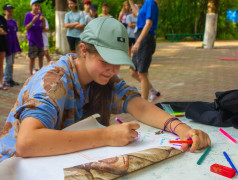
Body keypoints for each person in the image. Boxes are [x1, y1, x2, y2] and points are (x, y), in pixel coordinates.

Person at [0, 18, 210, 163]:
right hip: (16, 167)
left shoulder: (101, 77)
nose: (112, 70)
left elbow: (140, 107)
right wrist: (106, 135)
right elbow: (27, 143)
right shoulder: (54, 81)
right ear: (83, 50)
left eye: (118, 62)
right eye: (105, 61)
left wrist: (183, 130)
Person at [129, 0, 161, 103]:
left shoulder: (151, 3)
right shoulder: (147, 3)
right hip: (141, 37)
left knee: (142, 73)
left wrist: (138, 42)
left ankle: (144, 104)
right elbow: (137, 13)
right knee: (133, 72)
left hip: (145, 39)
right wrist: (130, 1)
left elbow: (149, 23)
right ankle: (154, 92)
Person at [24, 0, 45, 76]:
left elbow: (43, 28)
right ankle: (30, 74)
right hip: (32, 40)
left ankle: (41, 74)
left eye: (38, 5)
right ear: (31, 6)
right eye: (35, 5)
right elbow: (26, 27)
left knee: (41, 57)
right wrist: (33, 21)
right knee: (32, 58)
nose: (37, 7)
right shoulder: (28, 15)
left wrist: (43, 21)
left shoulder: (40, 15)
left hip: (40, 39)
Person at [3, 4, 21, 87]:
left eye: (11, 11)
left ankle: (10, 79)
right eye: (8, 11)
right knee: (8, 62)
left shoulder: (13, 22)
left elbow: (15, 34)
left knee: (12, 62)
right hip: (7, 45)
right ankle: (5, 79)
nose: (10, 12)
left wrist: (17, 46)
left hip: (13, 45)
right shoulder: (3, 21)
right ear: (4, 11)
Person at [0, 14, 8, 90]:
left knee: (1, 64)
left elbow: (5, 31)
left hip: (1, 44)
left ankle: (1, 83)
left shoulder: (2, 18)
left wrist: (2, 31)